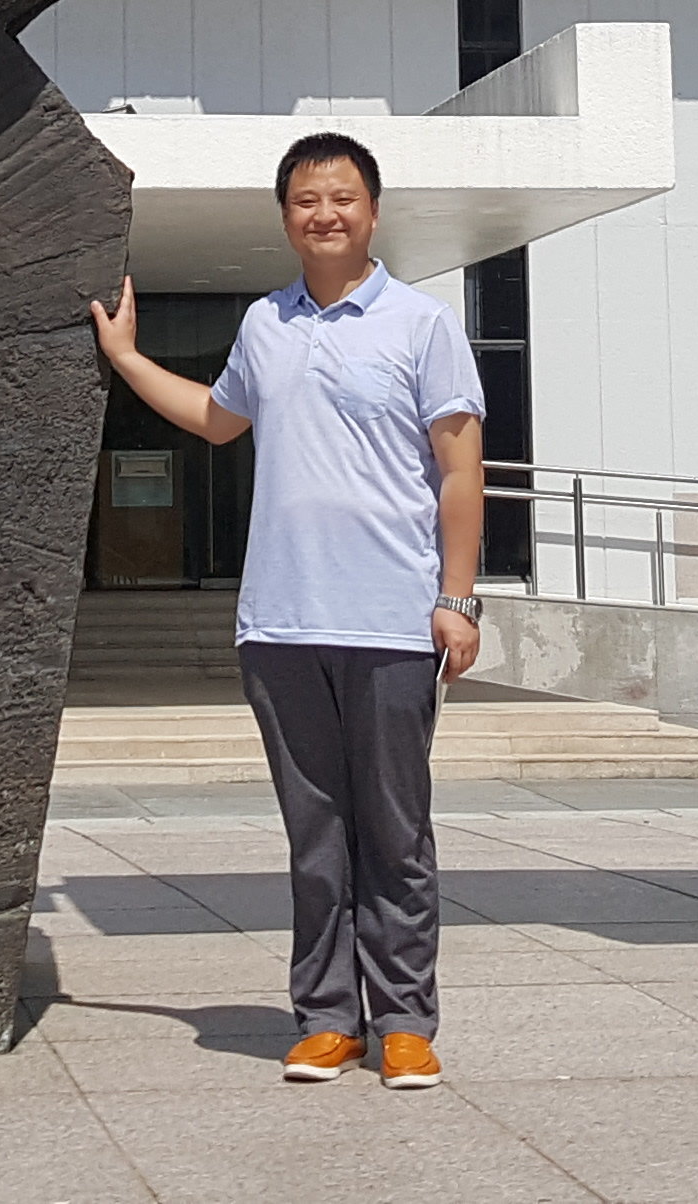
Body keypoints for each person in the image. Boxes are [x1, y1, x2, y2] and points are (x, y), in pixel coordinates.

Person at [88, 130, 485, 1089]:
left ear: (373, 211)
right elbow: (221, 421)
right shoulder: (266, 323)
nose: (326, 214)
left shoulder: (422, 325)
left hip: (391, 621)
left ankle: (404, 1023)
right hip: (281, 622)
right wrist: (130, 360)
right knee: (315, 837)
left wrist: (458, 598)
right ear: (286, 217)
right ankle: (324, 1019)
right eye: (307, 200)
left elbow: (461, 467)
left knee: (394, 831)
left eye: (343, 197)